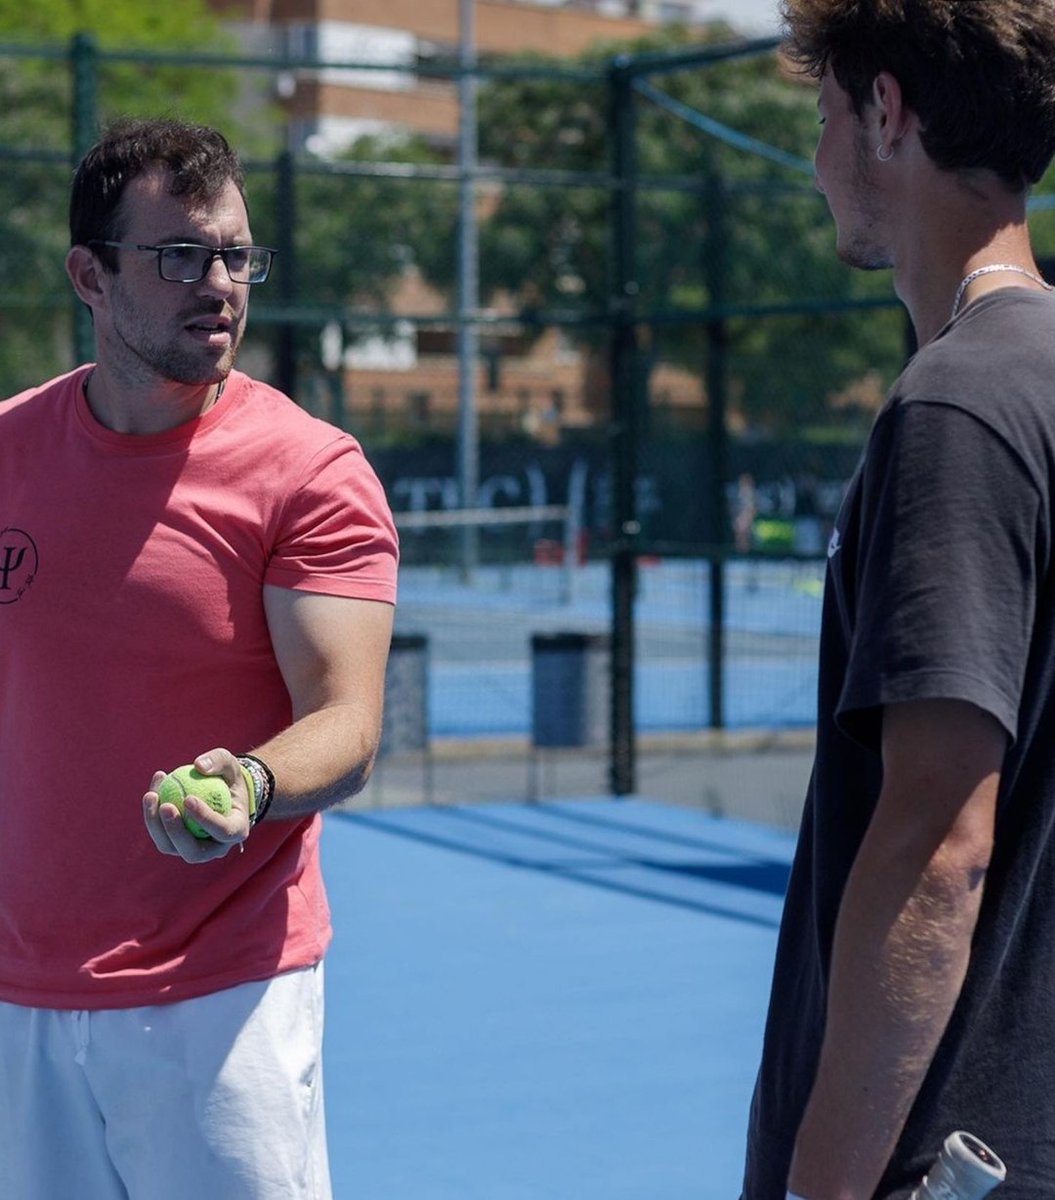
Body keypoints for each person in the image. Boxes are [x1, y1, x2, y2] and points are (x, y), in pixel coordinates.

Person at [0, 118, 398, 1198]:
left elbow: (348, 722)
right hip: (19, 1001)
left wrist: (253, 779)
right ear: (90, 273)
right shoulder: (7, 451)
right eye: (180, 256)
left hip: (221, 1001)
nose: (219, 282)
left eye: (236, 255)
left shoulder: (310, 473)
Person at [741, 2, 1055, 1197]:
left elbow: (937, 843)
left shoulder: (957, 408)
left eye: (824, 118)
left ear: (884, 113)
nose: (816, 162)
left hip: (947, 1149)